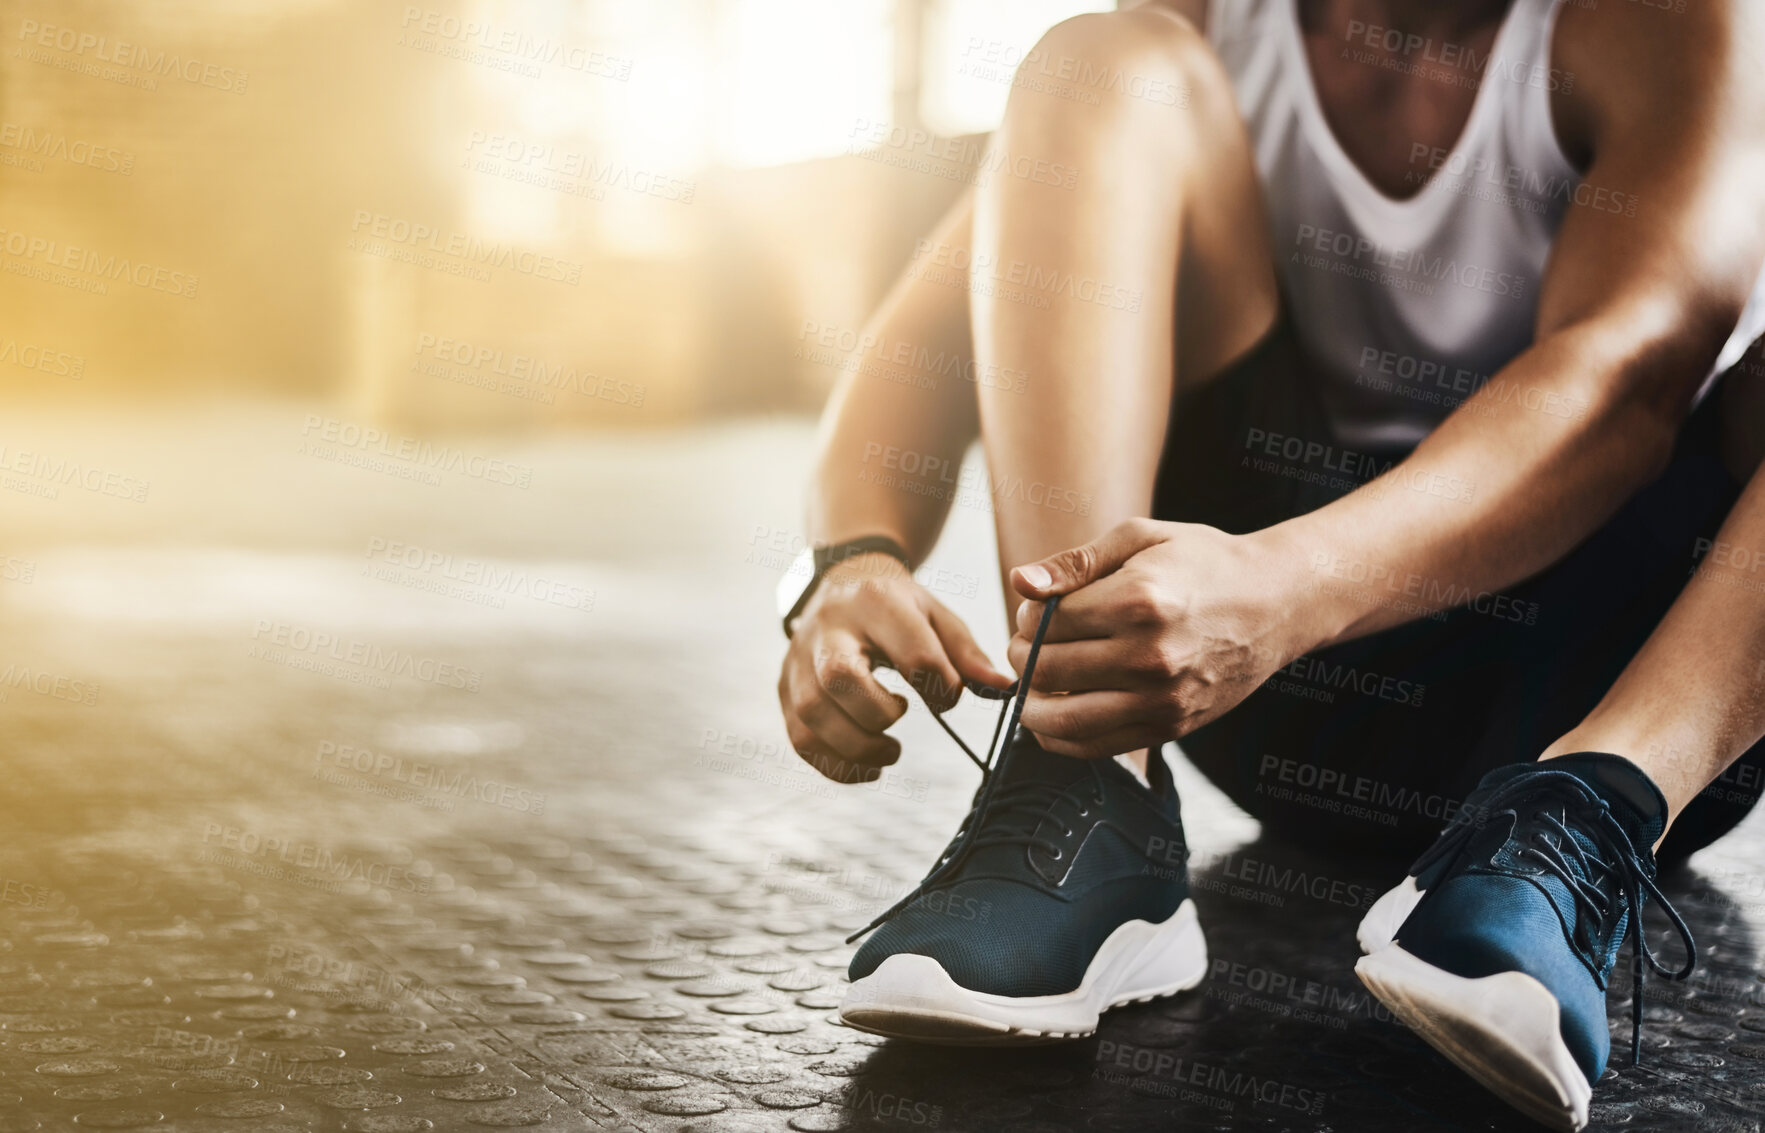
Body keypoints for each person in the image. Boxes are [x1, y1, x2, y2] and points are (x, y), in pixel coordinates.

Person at [773, 1, 1765, 1128]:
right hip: (1249, 688)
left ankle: (1581, 817)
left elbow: (1630, 376)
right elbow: (931, 333)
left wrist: (1286, 588)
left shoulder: (1671, 22)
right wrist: (845, 562)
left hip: (1614, 695)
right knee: (1096, 67)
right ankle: (1087, 781)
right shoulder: (1205, 20)